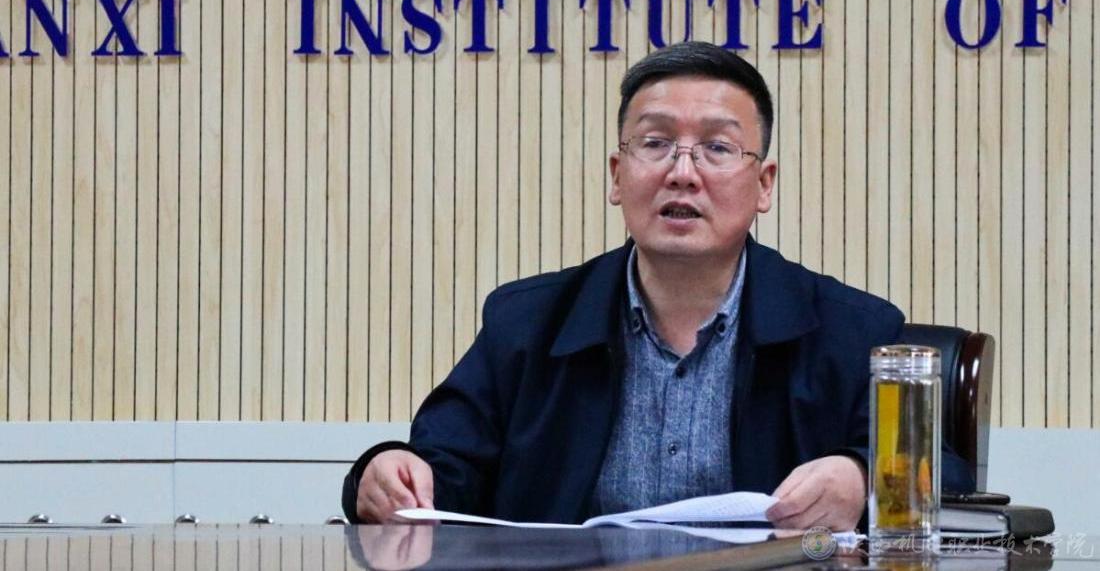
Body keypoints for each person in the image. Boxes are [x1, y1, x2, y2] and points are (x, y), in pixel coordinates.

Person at [342, 41, 974, 530]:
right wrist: (385, 474)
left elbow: (948, 473)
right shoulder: (527, 323)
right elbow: (443, 469)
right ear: (618, 176)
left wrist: (862, 477)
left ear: (764, 185)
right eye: (656, 143)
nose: (682, 172)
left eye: (717, 148)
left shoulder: (852, 329)